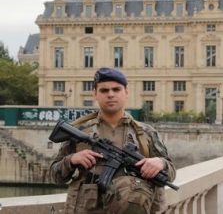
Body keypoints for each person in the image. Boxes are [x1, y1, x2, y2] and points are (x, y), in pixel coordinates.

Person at [49, 67, 176, 213]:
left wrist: (160, 163)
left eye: (116, 89)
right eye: (104, 90)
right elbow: (54, 175)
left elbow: (170, 173)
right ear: (95, 94)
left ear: (126, 92)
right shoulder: (80, 132)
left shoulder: (145, 133)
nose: (110, 95)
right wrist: (71, 160)